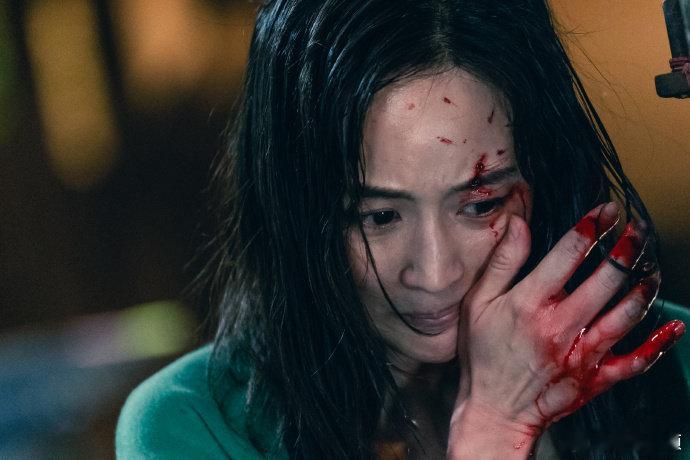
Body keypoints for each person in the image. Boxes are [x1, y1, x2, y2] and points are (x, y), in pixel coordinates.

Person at [116, 0, 690, 458]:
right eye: (379, 217)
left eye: (481, 205)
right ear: (298, 216)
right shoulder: (191, 427)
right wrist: (495, 428)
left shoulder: (674, 366)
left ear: (546, 177)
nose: (434, 274)